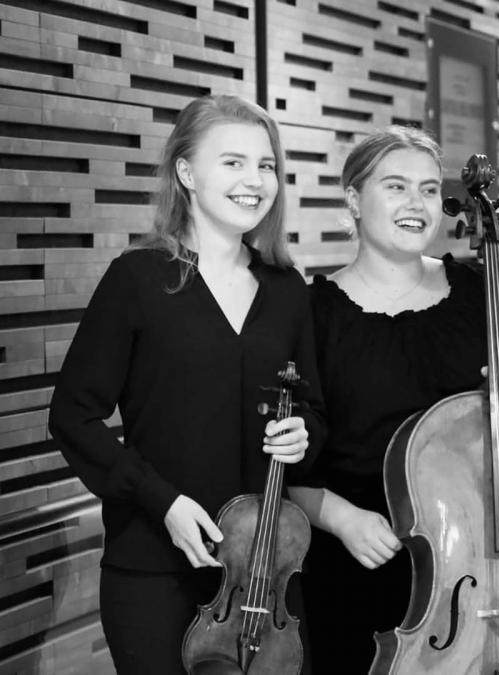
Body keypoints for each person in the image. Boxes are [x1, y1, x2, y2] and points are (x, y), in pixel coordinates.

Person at [47, 94, 324, 674]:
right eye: (233, 162)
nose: (255, 180)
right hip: (153, 569)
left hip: (264, 577)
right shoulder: (139, 278)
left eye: (266, 165)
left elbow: (314, 414)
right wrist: (163, 502)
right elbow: (73, 416)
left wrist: (304, 435)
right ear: (186, 172)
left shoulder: (287, 288)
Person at [289, 126, 499, 674]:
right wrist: (340, 517)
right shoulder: (308, 313)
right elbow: (276, 460)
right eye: (395, 187)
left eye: (425, 189)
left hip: (481, 574)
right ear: (353, 199)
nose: (416, 204)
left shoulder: (484, 293)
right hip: (357, 566)